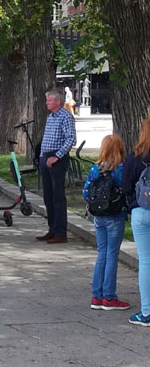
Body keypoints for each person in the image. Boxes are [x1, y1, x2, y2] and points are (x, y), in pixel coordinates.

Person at [83, 135, 130, 311]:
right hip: (115, 215)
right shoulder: (121, 169)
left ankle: (96, 295)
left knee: (102, 253)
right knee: (112, 255)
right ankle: (109, 297)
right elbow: (127, 190)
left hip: (98, 216)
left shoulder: (95, 169)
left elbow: (86, 193)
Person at [36, 88, 76, 244]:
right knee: (48, 197)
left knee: (58, 197)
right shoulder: (51, 117)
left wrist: (57, 156)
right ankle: (52, 229)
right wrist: (41, 158)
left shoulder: (65, 116)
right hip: (45, 158)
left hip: (56, 159)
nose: (47, 103)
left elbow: (71, 139)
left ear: (57, 102)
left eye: (49, 100)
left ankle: (61, 232)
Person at [122, 116, 150, 326]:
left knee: (146, 262)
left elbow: (126, 186)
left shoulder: (135, 157)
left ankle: (147, 312)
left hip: (141, 211)